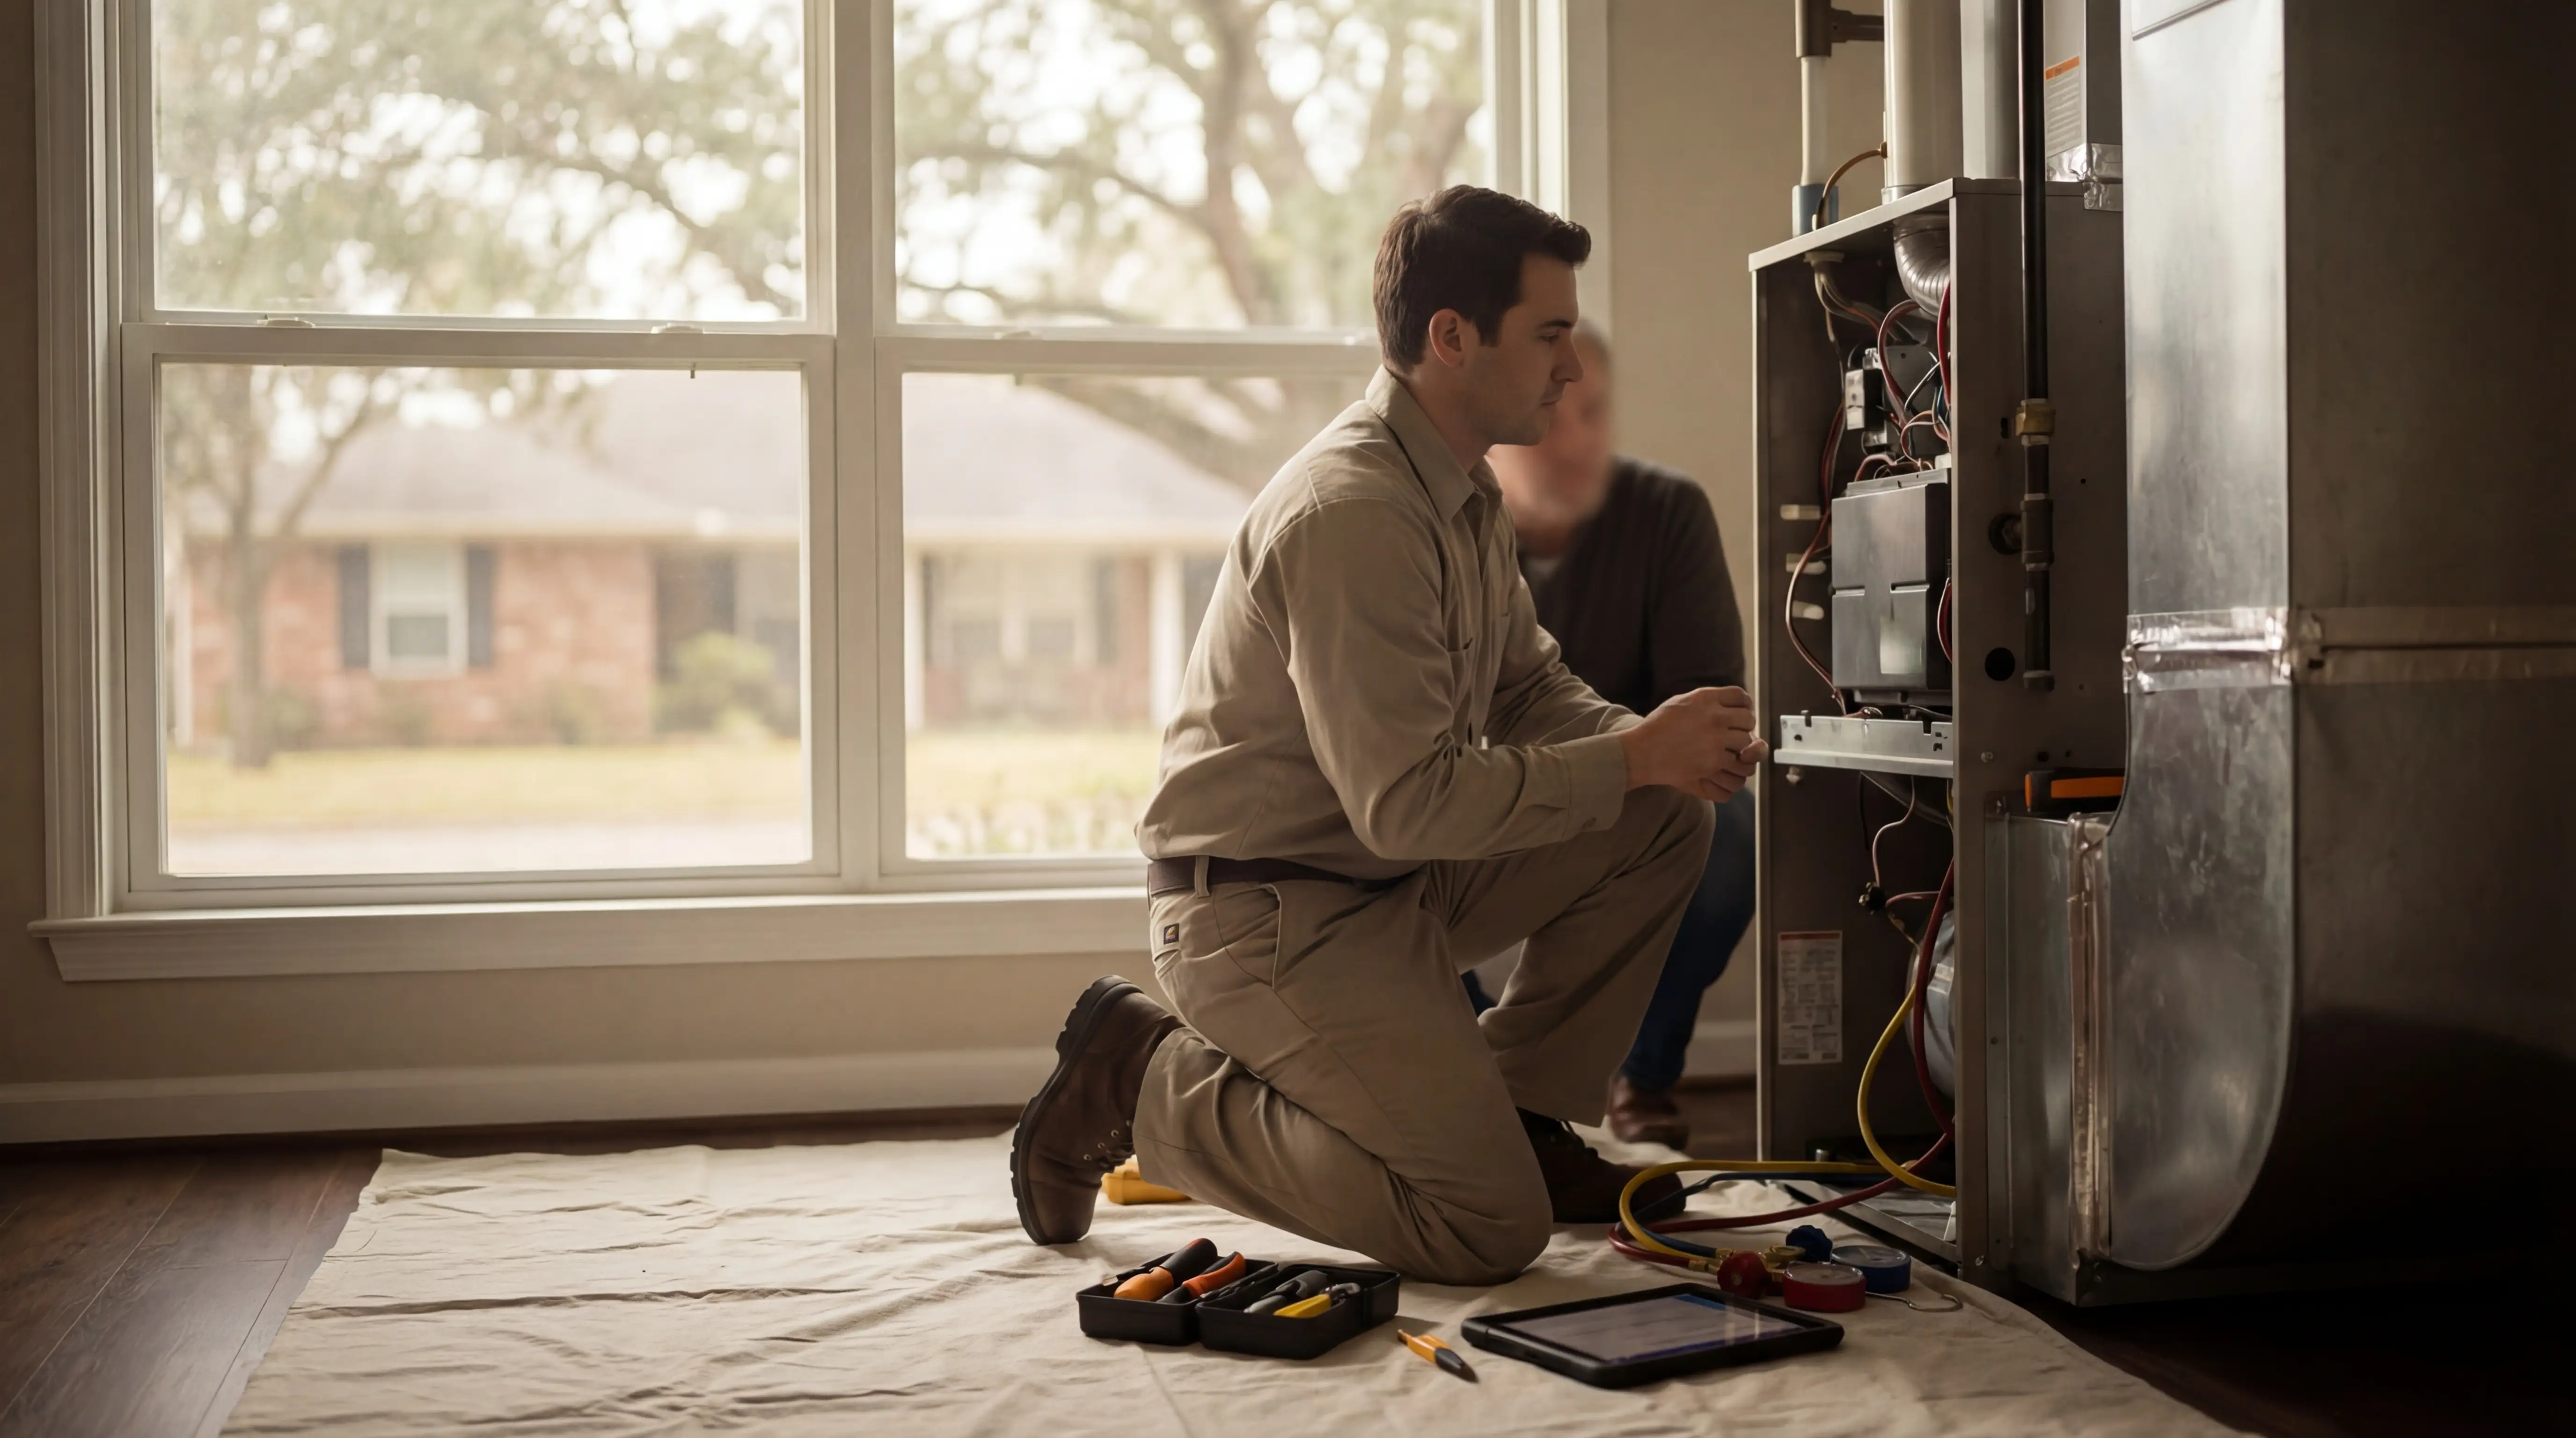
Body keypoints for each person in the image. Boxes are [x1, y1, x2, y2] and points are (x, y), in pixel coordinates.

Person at [1007, 186, 1768, 1285]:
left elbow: (1529, 690)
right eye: (1550, 336)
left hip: (1381, 891)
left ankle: (1515, 1120)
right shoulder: (1352, 512)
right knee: (1483, 1231)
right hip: (1263, 917)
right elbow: (1408, 802)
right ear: (1450, 340)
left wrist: (1651, 747)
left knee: (1659, 817)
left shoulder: (1460, 494)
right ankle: (1143, 1082)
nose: (1569, 367)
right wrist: (1633, 755)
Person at [1482, 323, 1754, 1152]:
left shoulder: (1667, 513)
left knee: (1727, 830)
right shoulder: (1453, 531)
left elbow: (1709, 718)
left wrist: (1625, 769)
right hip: (1492, 800)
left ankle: (1643, 1072)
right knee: (1394, 834)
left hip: (1638, 799)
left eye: (1594, 414)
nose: (1576, 441)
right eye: (1552, 414)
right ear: (1496, 434)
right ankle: (1472, 1080)